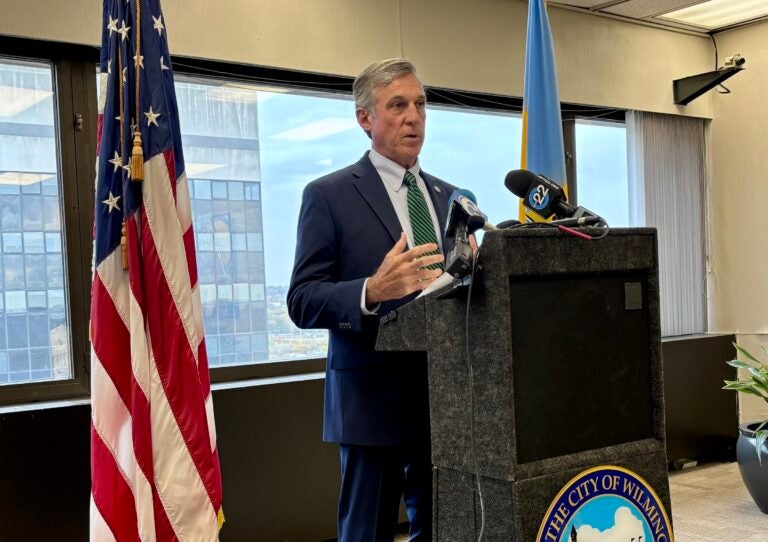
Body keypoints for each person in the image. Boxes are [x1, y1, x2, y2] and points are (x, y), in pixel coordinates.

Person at [287, 58, 457, 541]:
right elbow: (302, 300)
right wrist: (370, 290)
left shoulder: (447, 197)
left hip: (445, 398)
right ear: (365, 118)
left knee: (443, 527)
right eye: (398, 105)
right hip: (371, 402)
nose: (414, 117)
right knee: (367, 533)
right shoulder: (329, 195)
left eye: (421, 105)